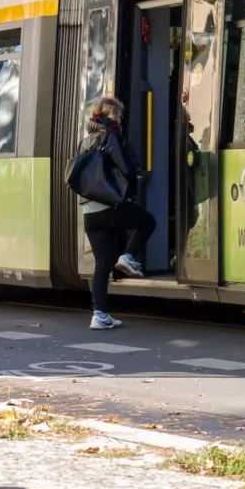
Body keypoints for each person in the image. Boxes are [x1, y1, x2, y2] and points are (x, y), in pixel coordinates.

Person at [79, 97, 155, 331]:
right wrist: (133, 186)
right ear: (106, 115)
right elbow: (126, 169)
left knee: (102, 263)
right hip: (110, 206)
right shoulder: (110, 136)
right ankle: (129, 257)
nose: (119, 119)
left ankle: (99, 314)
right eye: (117, 115)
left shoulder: (85, 140)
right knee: (147, 221)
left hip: (90, 211)